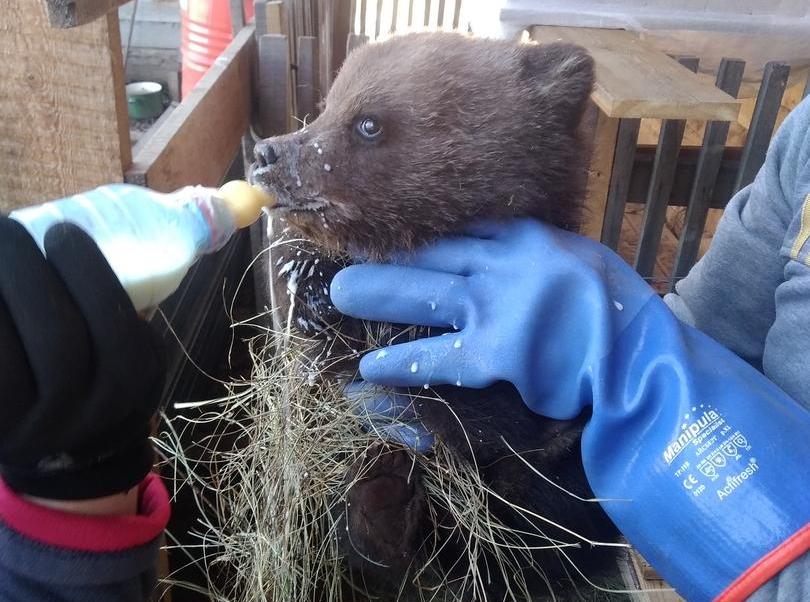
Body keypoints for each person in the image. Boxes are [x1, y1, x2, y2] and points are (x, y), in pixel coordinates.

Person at [1, 99, 808, 602]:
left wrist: (635, 368)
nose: (280, 150)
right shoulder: (801, 143)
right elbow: (712, 342)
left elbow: (666, 375)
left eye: (365, 128)